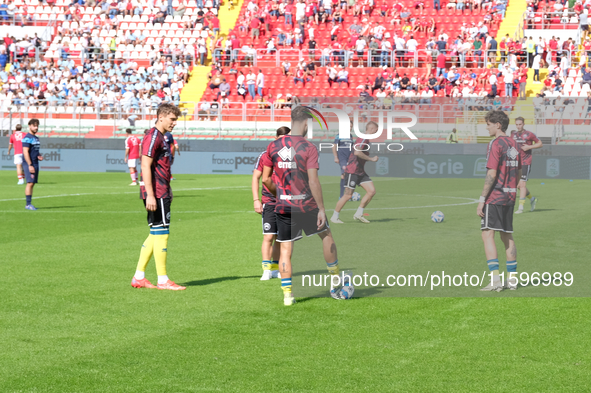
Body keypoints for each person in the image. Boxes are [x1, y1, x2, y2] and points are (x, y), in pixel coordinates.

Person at [261, 106, 342, 306]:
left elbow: (265, 179)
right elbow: (314, 181)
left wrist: (280, 195)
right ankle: (335, 282)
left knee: (286, 249)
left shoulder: (273, 146)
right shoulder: (308, 147)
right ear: (306, 123)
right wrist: (322, 208)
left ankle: (287, 295)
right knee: (326, 236)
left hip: (283, 206)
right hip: (306, 204)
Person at [131, 103, 186, 291]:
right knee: (162, 234)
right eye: (172, 119)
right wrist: (151, 195)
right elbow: (145, 166)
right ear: (161, 117)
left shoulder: (162, 137)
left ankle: (139, 277)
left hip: (161, 190)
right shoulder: (153, 137)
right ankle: (163, 280)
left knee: (155, 233)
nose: (174, 123)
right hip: (156, 192)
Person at [477, 110, 521, 292]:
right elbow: (518, 172)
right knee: (507, 236)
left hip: (495, 196)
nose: (486, 127)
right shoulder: (514, 143)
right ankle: (512, 281)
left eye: (488, 124)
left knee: (487, 234)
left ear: (498, 125)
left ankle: (495, 280)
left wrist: (482, 199)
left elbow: (492, 173)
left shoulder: (495, 143)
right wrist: (512, 189)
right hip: (510, 196)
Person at [252, 126, 291, 280]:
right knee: (269, 236)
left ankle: (275, 268)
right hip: (269, 201)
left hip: (286, 201)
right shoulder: (265, 155)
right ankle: (266, 269)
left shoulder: (292, 155)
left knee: (281, 238)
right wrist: (256, 200)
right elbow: (256, 177)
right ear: (276, 139)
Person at [330, 121, 379, 224]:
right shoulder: (364, 138)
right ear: (372, 129)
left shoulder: (364, 138)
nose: (377, 132)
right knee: (348, 195)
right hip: (352, 170)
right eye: (376, 130)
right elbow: (357, 152)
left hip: (360, 171)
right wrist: (371, 159)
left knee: (371, 191)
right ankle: (335, 216)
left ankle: (358, 214)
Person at [510, 116, 542, 214]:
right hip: (516, 162)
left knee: (523, 185)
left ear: (523, 124)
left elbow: (540, 144)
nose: (518, 126)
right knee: (518, 185)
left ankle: (520, 207)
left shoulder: (529, 134)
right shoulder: (513, 134)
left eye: (520, 124)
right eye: (517, 124)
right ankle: (532, 199)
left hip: (525, 162)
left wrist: (529, 146)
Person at [21, 119, 43, 210]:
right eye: (34, 126)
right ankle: (28, 204)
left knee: (32, 183)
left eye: (37, 126)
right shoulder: (27, 138)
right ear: (29, 126)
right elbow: (25, 152)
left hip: (35, 162)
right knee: (30, 183)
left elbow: (34, 150)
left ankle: (29, 204)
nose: (36, 127)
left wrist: (39, 155)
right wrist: (30, 165)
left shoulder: (36, 138)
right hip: (29, 163)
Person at [331, 123, 354, 198]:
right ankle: (342, 195)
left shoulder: (350, 136)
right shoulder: (339, 135)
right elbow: (334, 146)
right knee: (344, 174)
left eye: (351, 126)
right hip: (342, 158)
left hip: (349, 158)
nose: (350, 128)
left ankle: (346, 194)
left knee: (347, 175)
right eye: (349, 126)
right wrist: (335, 157)